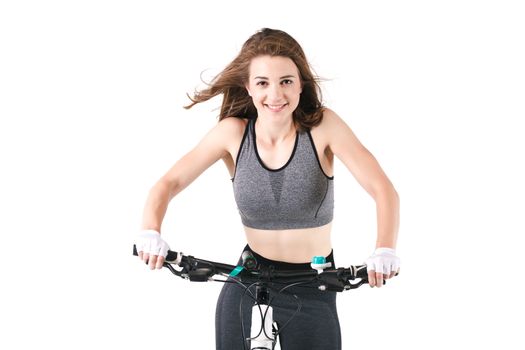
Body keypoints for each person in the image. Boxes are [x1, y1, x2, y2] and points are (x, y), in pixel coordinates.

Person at [135, 28, 400, 350]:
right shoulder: (232, 133)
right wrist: (151, 231)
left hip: (313, 281)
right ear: (248, 86)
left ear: (301, 83)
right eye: (263, 82)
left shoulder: (323, 127)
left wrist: (384, 249)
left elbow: (382, 189)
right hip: (250, 276)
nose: (275, 95)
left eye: (286, 81)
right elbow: (168, 183)